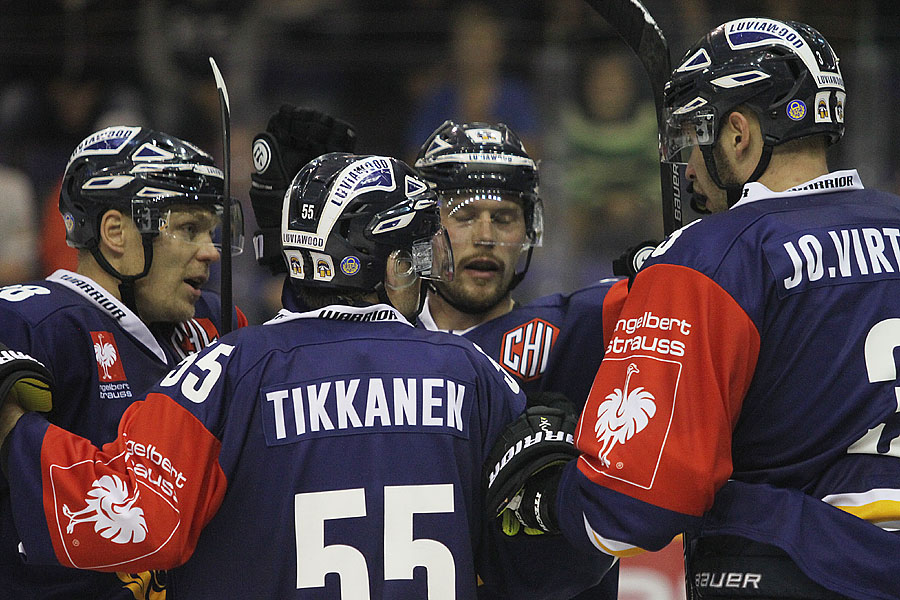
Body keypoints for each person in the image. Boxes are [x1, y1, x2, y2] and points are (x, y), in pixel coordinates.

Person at [0, 152, 610, 598]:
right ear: (389, 261)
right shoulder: (476, 373)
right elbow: (543, 559)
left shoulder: (228, 368)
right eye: (417, 254)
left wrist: (16, 430)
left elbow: (131, 522)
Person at [488, 17, 900, 600]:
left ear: (738, 134)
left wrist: (540, 497)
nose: (685, 169)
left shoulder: (716, 254)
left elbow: (632, 504)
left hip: (800, 569)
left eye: (692, 139)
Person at [0, 125, 247, 600]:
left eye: (212, 231)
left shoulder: (216, 324)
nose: (211, 250)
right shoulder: (35, 324)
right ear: (115, 232)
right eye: (189, 229)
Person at [414, 121, 627, 598]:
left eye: (504, 217)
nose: (485, 236)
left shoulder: (578, 331)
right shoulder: (382, 345)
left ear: (528, 231)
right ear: (423, 226)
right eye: (465, 215)